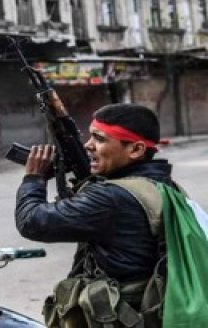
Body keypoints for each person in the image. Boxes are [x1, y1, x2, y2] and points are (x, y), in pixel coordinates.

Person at [15, 103, 176, 327]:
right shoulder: (163, 185)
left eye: (99, 139)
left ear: (136, 150)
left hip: (120, 317)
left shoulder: (112, 197)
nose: (88, 145)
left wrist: (34, 178)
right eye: (90, 136)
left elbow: (32, 222)